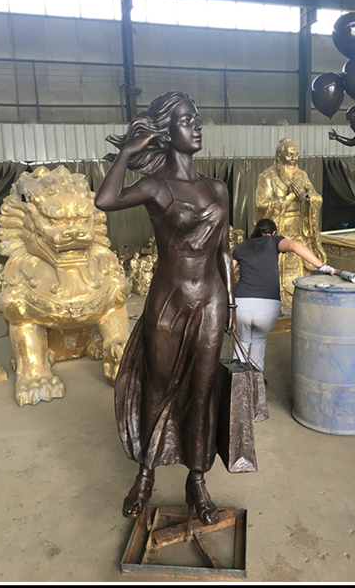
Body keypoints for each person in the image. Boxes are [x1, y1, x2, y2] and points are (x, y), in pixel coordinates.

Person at [95, 91, 236, 526]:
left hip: (211, 300)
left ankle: (197, 481)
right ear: (166, 131)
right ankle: (145, 475)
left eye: (197, 119)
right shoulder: (156, 187)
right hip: (168, 302)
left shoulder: (217, 188)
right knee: (156, 386)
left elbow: (224, 251)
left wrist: (231, 303)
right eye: (186, 120)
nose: (197, 126)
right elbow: (105, 200)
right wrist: (126, 153)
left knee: (203, 390)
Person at [232, 218, 337, 375]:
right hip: (267, 306)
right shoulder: (274, 241)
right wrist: (323, 267)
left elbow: (227, 271)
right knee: (258, 341)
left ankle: (235, 382)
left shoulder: (241, 247)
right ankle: (256, 381)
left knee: (242, 340)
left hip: (241, 304)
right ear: (274, 232)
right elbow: (294, 245)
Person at [255, 138, 327, 314]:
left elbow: (316, 198)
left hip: (299, 229)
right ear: (279, 156)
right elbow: (261, 205)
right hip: (277, 230)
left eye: (296, 155)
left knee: (300, 266)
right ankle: (278, 305)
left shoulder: (302, 175)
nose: (294, 159)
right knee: (278, 268)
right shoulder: (267, 177)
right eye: (289, 155)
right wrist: (289, 198)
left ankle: (300, 304)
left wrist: (306, 198)